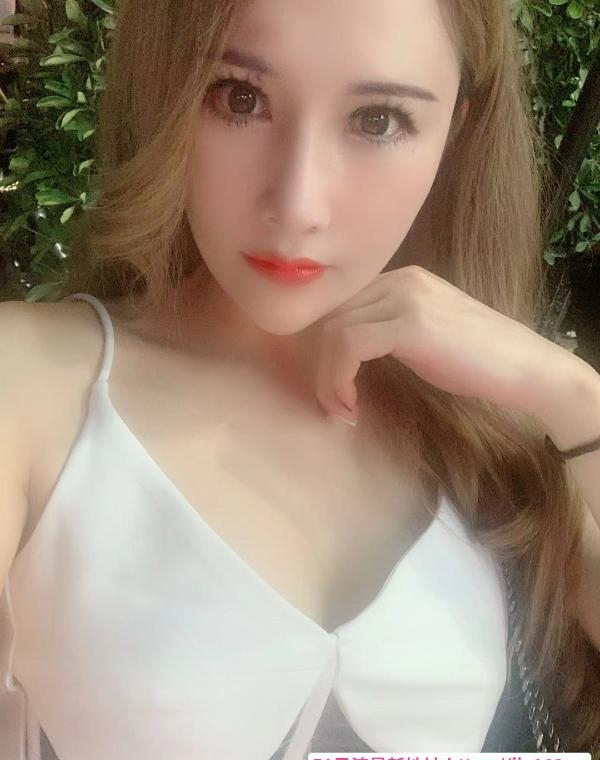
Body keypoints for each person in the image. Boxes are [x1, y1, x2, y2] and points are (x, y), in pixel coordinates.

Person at [0, 0, 599, 757]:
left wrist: (572, 394)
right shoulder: (33, 385)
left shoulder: (488, 436)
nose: (297, 204)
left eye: (377, 120)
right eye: (238, 98)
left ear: (456, 130)